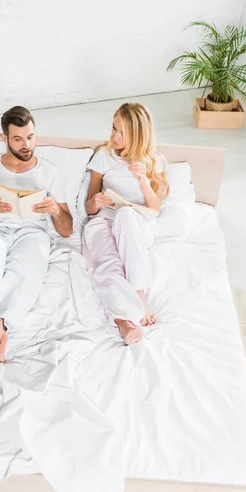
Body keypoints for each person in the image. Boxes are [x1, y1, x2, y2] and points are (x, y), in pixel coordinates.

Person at [0, 106, 73, 363]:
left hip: (32, 233)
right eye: (18, 139)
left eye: (30, 137)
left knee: (29, 269)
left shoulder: (50, 171)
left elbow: (66, 229)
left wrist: (54, 211)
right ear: (4, 138)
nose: (26, 144)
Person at [82, 102, 169, 345]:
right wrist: (96, 202)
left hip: (139, 224)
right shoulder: (104, 156)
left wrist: (143, 179)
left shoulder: (154, 161)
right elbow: (88, 208)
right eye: (113, 128)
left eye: (122, 132)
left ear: (137, 134)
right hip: (103, 221)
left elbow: (155, 208)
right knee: (108, 265)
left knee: (126, 216)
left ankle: (139, 297)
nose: (114, 136)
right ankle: (123, 323)